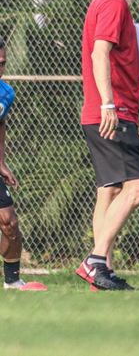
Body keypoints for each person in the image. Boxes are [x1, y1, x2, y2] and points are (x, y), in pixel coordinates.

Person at [77, 0, 139, 290]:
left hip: (107, 108)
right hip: (112, 112)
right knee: (137, 188)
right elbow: (99, 53)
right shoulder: (113, 2)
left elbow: (112, 55)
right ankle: (95, 260)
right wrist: (109, 102)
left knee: (109, 189)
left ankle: (101, 272)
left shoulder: (107, 1)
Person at [0, 38, 47, 291]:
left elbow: (0, 124)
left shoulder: (6, 93)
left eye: (3, 63)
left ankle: (12, 281)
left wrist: (1, 162)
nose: (0, 68)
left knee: (10, 223)